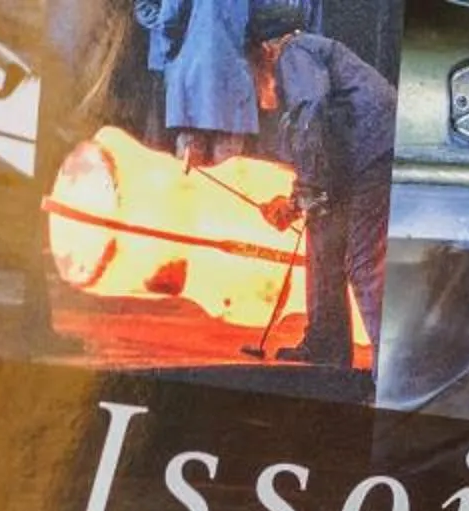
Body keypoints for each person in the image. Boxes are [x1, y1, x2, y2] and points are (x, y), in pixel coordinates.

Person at [247, 2, 398, 367]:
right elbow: (320, 132)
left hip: (372, 153)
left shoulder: (292, 53)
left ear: (265, 49)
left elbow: (312, 116)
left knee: (361, 263)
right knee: (323, 238)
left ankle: (393, 362)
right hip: (358, 155)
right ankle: (326, 346)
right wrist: (300, 201)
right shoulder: (309, 50)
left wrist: (305, 194)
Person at [139, 0, 261, 167]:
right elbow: (269, 17)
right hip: (235, 81)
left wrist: (171, 56)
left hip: (192, 78)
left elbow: (169, 20)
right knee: (228, 169)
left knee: (192, 170)